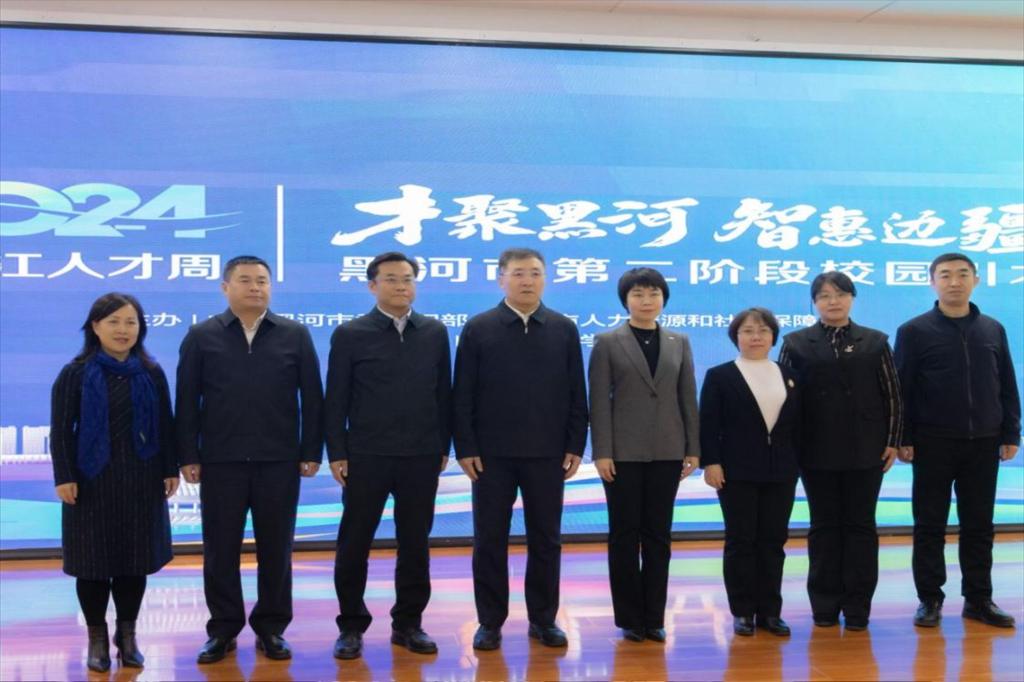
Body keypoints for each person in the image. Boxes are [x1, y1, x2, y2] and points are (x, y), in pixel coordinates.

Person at [176, 255, 324, 663]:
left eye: (262, 280)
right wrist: (187, 453)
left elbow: (313, 397)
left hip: (279, 461)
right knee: (219, 550)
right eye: (245, 280)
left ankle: (271, 628)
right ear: (226, 288)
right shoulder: (202, 335)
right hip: (220, 461)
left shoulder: (294, 334)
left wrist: (311, 450)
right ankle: (223, 629)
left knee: (276, 549)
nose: (255, 287)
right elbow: (187, 400)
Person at [452, 247, 588, 650]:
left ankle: (543, 619)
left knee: (546, 539)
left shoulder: (563, 328)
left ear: (545, 278)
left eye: (534, 273)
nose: (527, 280)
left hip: (548, 453)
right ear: (501, 279)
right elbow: (463, 394)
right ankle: (490, 621)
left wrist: (575, 444)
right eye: (518, 273)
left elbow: (576, 392)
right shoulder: (479, 327)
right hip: (490, 456)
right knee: (489, 539)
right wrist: (466, 446)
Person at [326, 252, 452, 660]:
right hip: (366, 455)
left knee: (415, 543)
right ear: (372, 285)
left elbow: (443, 394)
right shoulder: (350, 334)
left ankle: (408, 623)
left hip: (420, 454)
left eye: (408, 278)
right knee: (354, 542)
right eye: (392, 279)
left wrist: (443, 445)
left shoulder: (434, 332)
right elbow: (336, 398)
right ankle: (351, 625)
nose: (401, 286)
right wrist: (337, 451)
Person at [50, 293, 179, 672]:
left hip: (142, 480)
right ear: (95, 327)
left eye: (131, 322)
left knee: (133, 563)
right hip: (89, 483)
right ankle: (97, 639)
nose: (123, 330)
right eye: (114, 322)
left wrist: (169, 469)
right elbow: (61, 431)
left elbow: (166, 425)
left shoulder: (150, 372)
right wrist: (64, 476)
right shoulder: (75, 373)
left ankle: (128, 636)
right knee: (92, 564)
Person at [894, 252, 1020, 629]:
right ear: (932, 281)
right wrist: (903, 437)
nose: (954, 282)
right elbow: (902, 390)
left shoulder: (992, 329)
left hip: (983, 441)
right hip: (932, 442)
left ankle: (979, 599)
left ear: (975, 280)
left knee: (979, 525)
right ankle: (930, 599)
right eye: (945, 275)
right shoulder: (914, 331)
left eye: (962, 274)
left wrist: (1011, 432)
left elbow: (1006, 383)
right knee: (929, 525)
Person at [778, 272, 902, 630]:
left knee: (861, 526)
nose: (833, 301)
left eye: (840, 294)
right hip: (815, 451)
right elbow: (784, 397)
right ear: (814, 302)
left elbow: (892, 393)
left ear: (852, 298)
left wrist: (892, 440)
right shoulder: (796, 343)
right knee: (824, 526)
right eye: (824, 296)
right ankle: (825, 605)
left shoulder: (875, 341)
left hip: (867, 450)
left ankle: (858, 607)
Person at [588, 268, 700, 642]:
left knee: (658, 535)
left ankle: (654, 617)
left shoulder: (679, 341)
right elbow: (598, 401)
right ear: (626, 300)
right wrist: (602, 451)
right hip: (622, 453)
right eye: (638, 294)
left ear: (664, 298)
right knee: (624, 534)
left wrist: (693, 448)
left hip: (668, 450)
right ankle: (629, 618)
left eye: (653, 293)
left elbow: (687, 397)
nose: (646, 301)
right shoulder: (607, 341)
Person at [699, 307, 801, 637]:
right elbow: (708, 424)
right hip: (736, 471)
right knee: (741, 541)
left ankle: (770, 611)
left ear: (773, 336)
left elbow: (800, 424)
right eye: (747, 331)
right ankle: (743, 611)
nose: (756, 337)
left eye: (762, 331)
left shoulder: (789, 374)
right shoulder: (720, 375)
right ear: (736, 337)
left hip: (781, 471)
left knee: (773, 541)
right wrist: (711, 462)